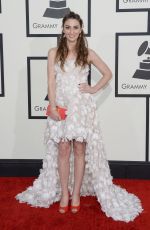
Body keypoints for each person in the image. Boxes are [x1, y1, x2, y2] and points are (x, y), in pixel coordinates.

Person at [16, 11, 143, 222]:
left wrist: (93, 89)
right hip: (62, 107)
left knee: (80, 148)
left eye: (75, 27)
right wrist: (54, 106)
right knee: (63, 148)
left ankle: (76, 194)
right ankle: (64, 193)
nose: (72, 31)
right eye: (68, 27)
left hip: (82, 108)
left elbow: (108, 73)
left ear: (81, 29)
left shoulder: (88, 53)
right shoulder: (53, 52)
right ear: (63, 30)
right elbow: (51, 81)